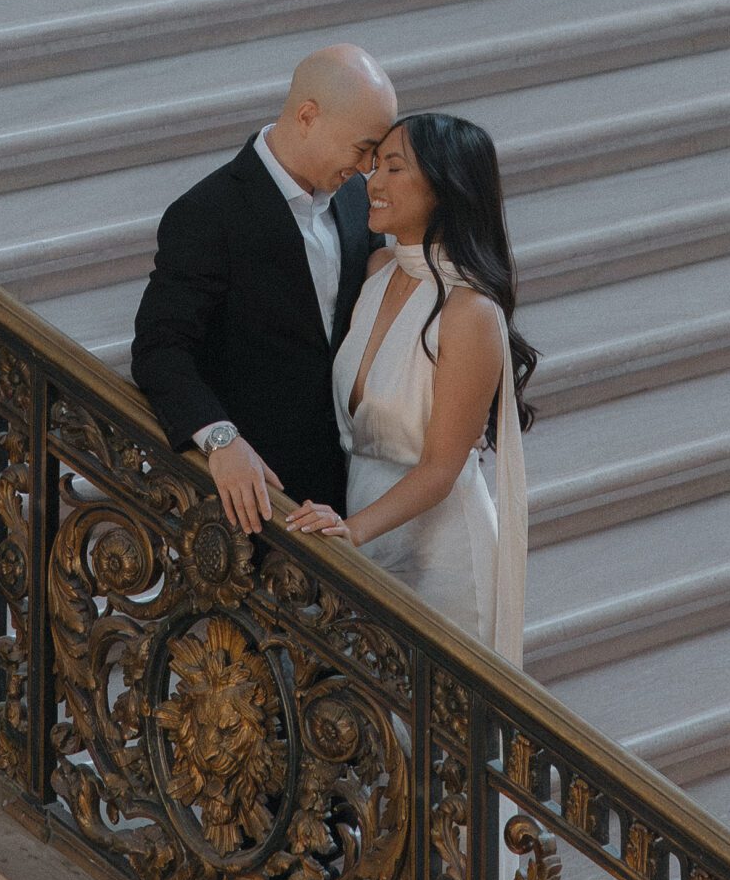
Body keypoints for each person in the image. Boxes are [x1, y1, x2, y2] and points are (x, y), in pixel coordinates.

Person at [285, 113, 535, 664]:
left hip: (441, 551)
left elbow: (441, 469)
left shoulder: (470, 311)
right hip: (366, 525)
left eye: (394, 168)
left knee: (430, 731)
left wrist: (350, 531)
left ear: (448, 187)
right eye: (374, 167)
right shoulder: (377, 269)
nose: (373, 183)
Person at [132, 44, 397, 532]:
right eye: (362, 149)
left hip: (350, 489)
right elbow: (159, 349)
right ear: (308, 116)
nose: (366, 169)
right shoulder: (208, 214)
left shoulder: (359, 201)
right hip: (257, 501)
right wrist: (221, 440)